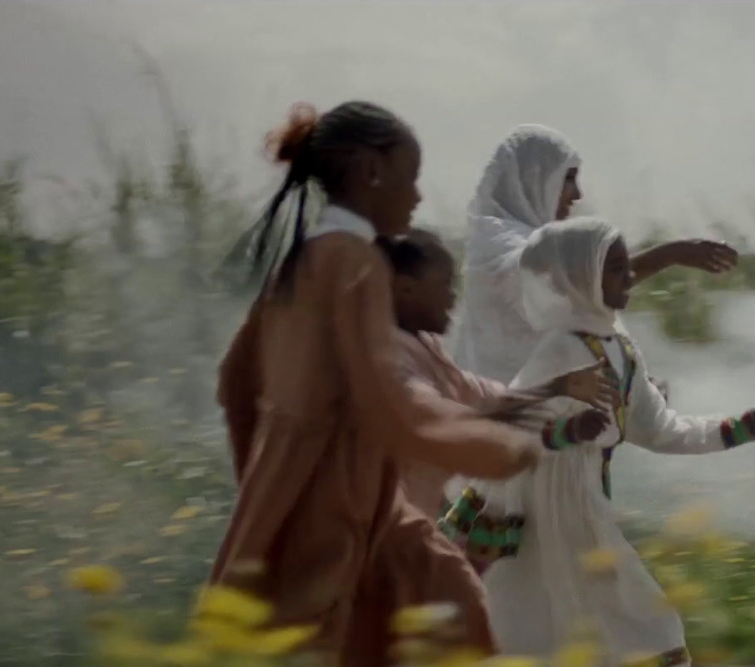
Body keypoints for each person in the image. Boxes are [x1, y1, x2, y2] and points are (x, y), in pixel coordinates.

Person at [211, 101, 543, 665]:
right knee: (439, 612)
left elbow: (234, 383)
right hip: (345, 501)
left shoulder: (303, 260)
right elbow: (385, 401)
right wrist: (492, 449)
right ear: (371, 172)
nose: (416, 197)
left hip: (317, 493)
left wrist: (268, 477)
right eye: (410, 178)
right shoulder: (356, 262)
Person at [449, 218, 755, 665]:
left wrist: (736, 429)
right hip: (554, 512)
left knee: (594, 638)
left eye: (627, 267)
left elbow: (660, 429)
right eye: (617, 269)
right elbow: (511, 426)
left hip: (585, 505)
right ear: (581, 277)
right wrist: (568, 433)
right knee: (642, 631)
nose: (630, 278)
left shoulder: (619, 345)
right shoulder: (561, 348)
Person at [448, 124, 740, 388]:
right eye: (568, 179)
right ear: (535, 178)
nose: (577, 194)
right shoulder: (500, 245)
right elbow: (580, 285)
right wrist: (672, 253)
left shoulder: (521, 243)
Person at [378, 227, 616, 517]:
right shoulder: (393, 362)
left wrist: (556, 387)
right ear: (406, 290)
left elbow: (483, 398)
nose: (453, 298)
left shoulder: (425, 344)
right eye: (445, 285)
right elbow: (447, 423)